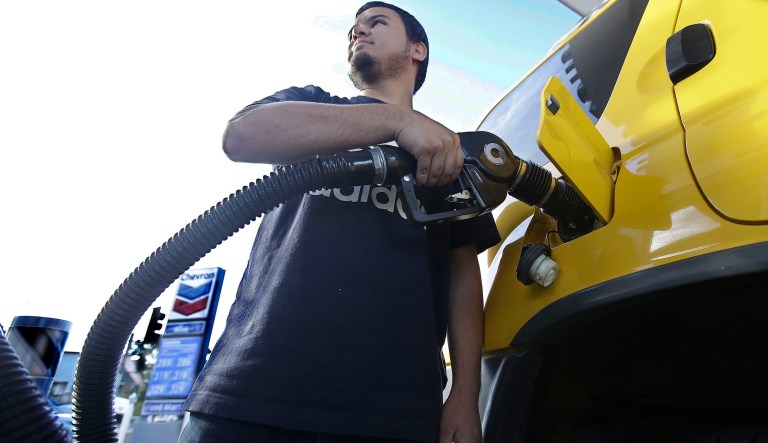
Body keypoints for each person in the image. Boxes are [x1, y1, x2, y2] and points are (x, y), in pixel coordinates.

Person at [179, 3, 500, 443]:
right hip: (249, 393)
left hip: (393, 411)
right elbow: (242, 136)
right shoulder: (313, 106)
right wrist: (398, 119)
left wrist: (466, 392)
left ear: (417, 49)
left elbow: (464, 275)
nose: (358, 32)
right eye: (353, 28)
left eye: (376, 23)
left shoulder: (449, 153)